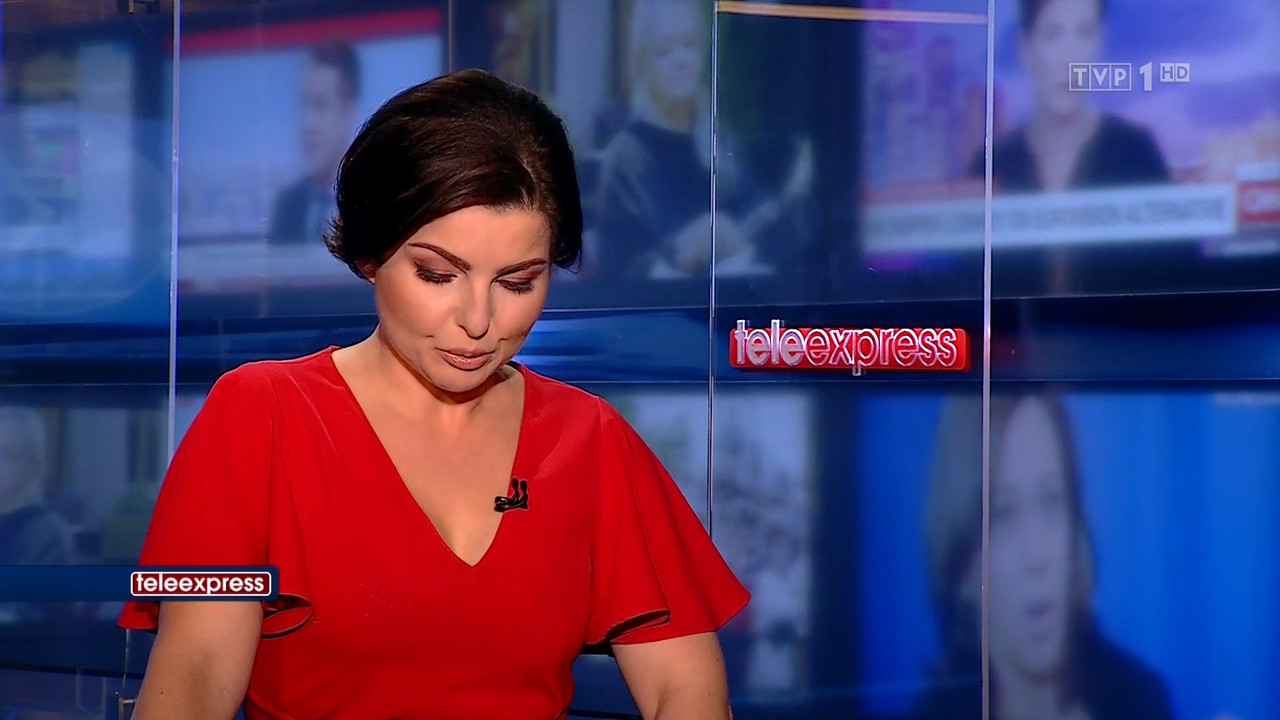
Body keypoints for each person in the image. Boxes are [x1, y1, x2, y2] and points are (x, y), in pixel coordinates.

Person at [118, 69, 750, 720]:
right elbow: (194, 676)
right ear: (370, 257)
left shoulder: (589, 439)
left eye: (517, 282)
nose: (478, 320)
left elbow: (686, 689)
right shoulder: (260, 416)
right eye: (438, 274)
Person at [914, 392, 1172, 720]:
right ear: (963, 566)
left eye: (1051, 500)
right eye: (1003, 514)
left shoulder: (1141, 701)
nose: (1037, 557)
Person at [969, 0, 1170, 192]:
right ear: (1025, 48)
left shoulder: (1137, 154)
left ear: (1100, 43)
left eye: (1084, 33)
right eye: (1053, 35)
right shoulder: (991, 165)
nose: (1070, 59)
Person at [268, 40, 360, 246]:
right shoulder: (287, 205)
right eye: (304, 105)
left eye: (320, 105)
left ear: (348, 111)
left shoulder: (378, 200)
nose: (307, 124)